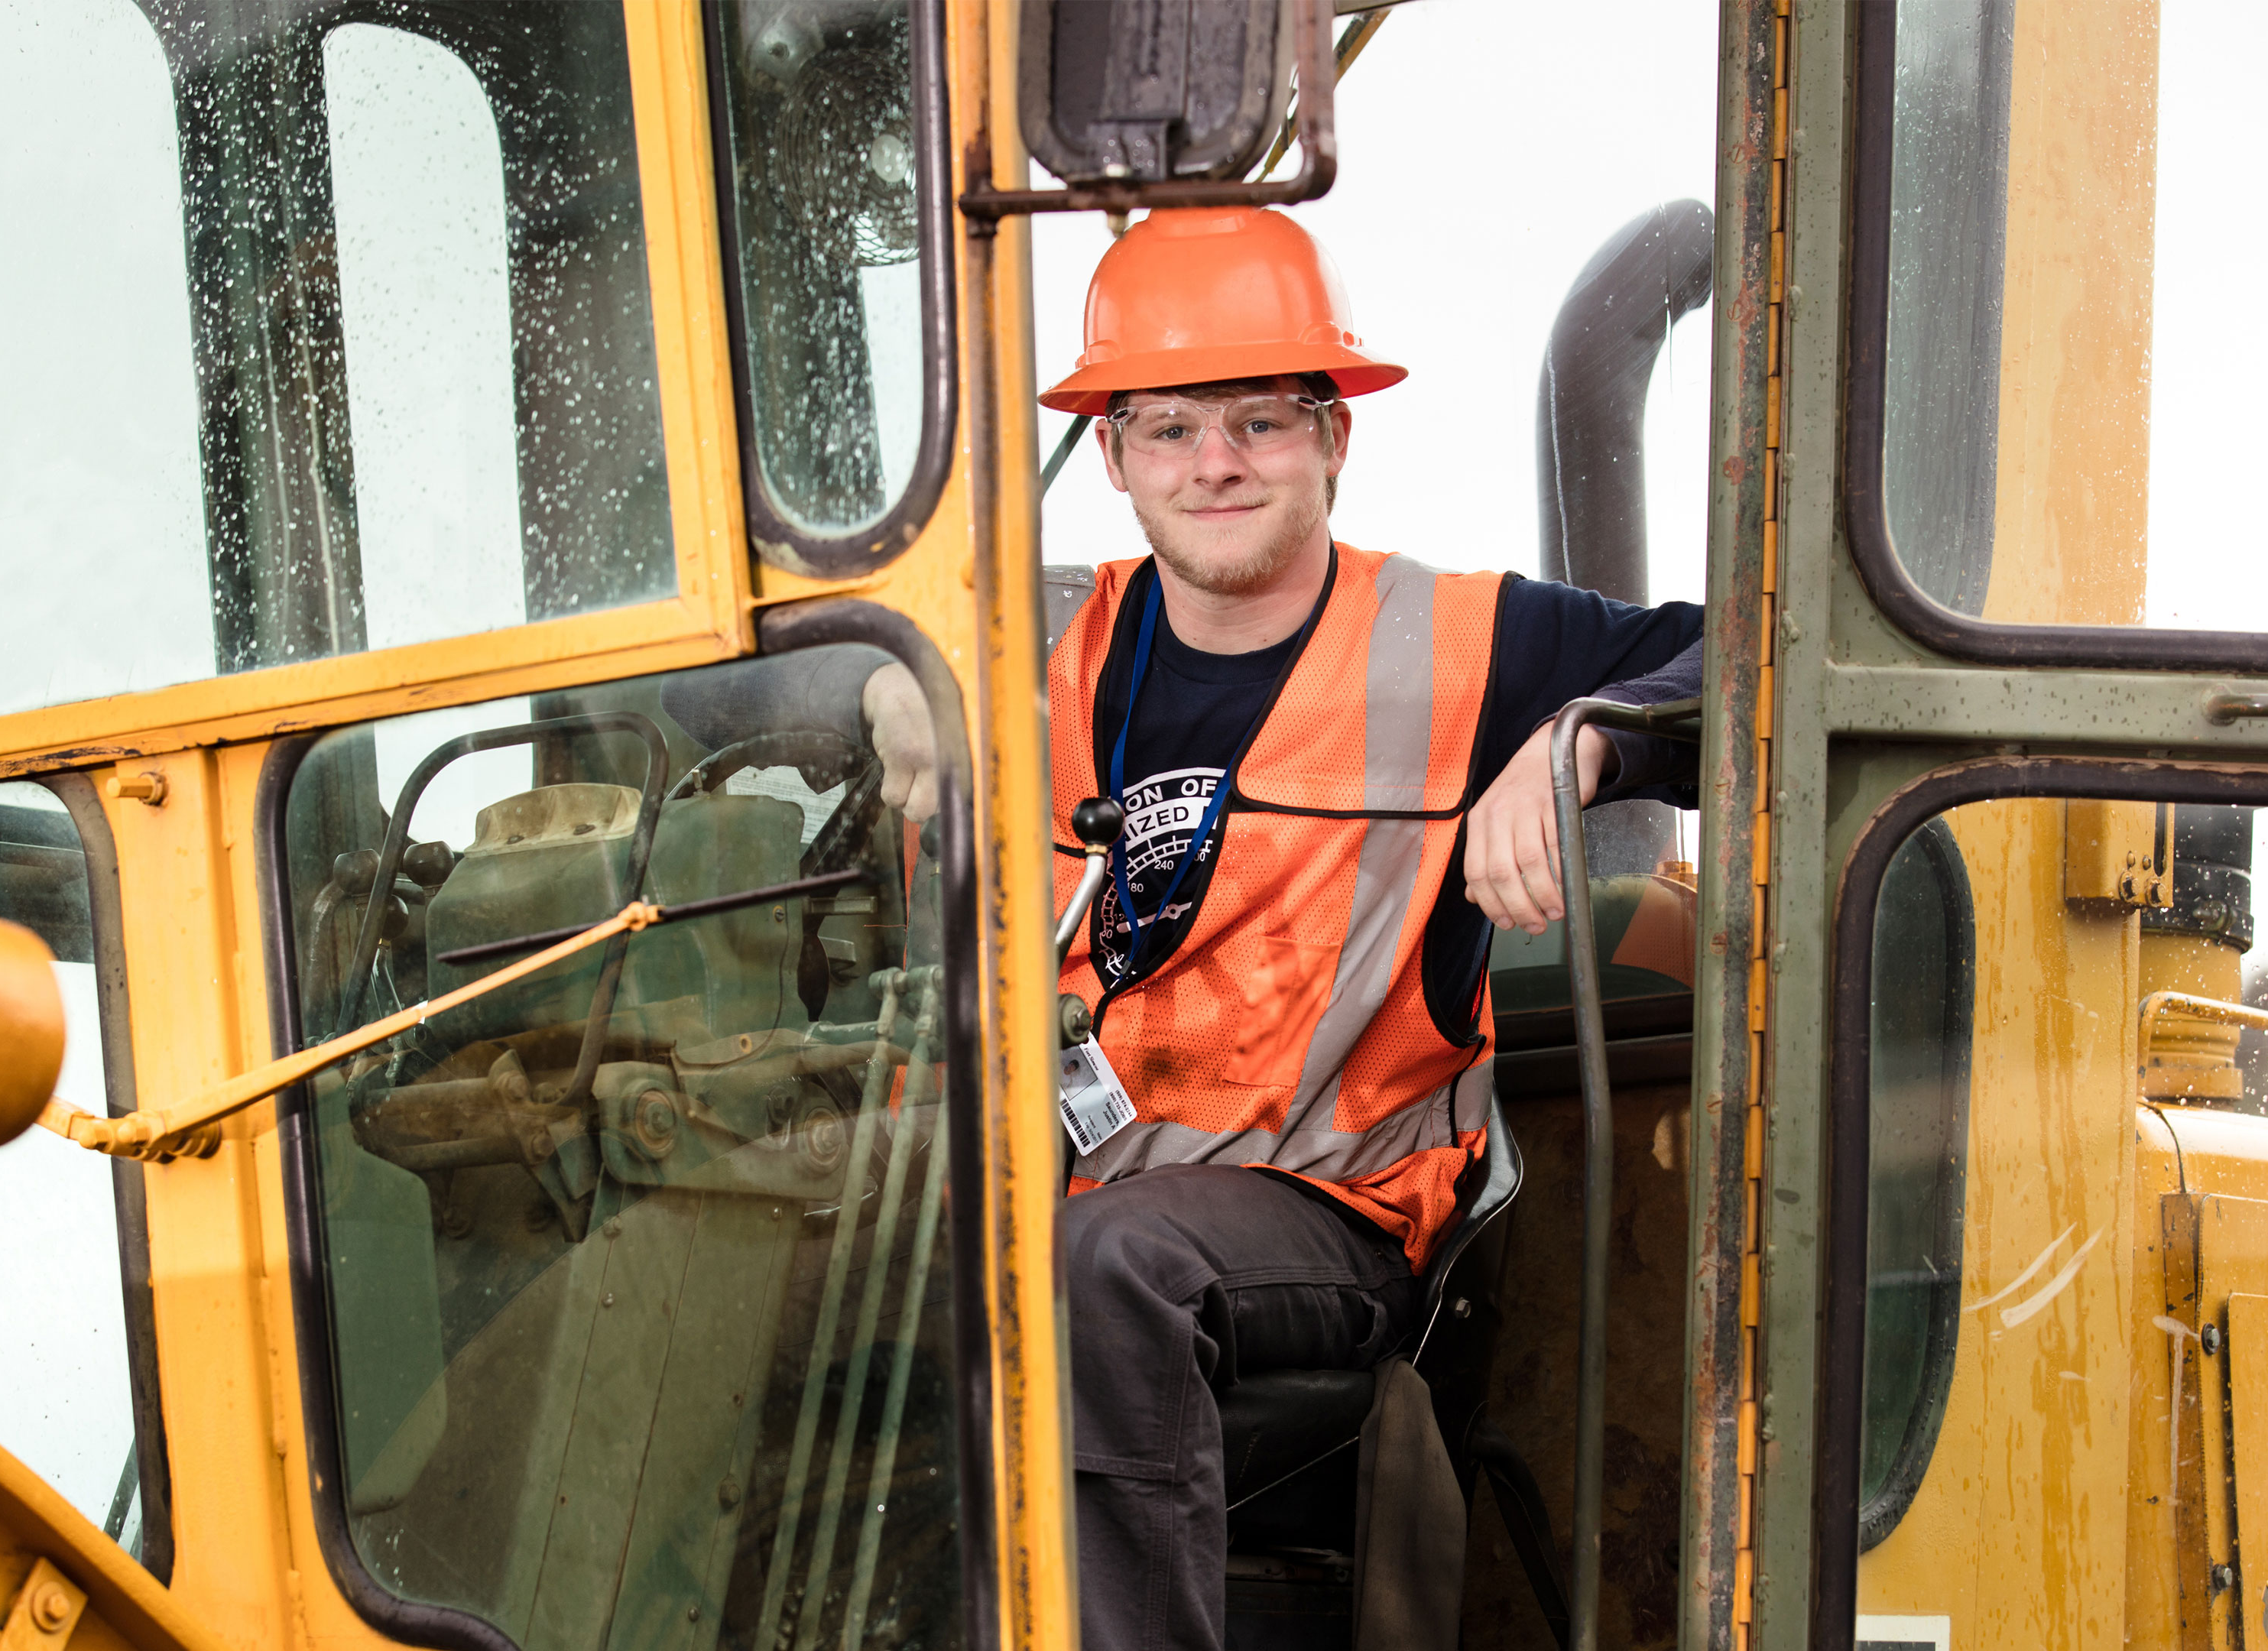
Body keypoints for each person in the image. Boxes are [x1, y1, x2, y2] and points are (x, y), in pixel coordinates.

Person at [683, 205, 1703, 1648]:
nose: (1213, 464)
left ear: (1332, 436)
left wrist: (1589, 740)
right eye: (1167, 428)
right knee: (721, 1261)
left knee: (1105, 1266)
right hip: (1060, 1179)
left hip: (1332, 1208)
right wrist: (867, 681)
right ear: (1111, 455)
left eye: (1259, 422)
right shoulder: (1032, 635)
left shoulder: (1469, 642)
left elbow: (1762, 653)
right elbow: (713, 688)